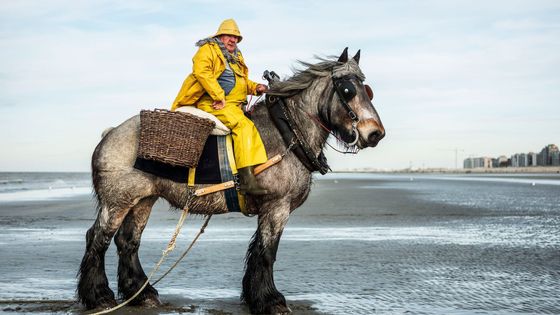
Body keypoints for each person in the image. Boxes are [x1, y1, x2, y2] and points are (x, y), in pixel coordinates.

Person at [171, 19, 269, 195]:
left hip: (233, 104)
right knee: (244, 126)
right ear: (220, 36)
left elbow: (241, 82)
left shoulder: (236, 56)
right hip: (212, 102)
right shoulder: (207, 49)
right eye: (229, 36)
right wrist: (218, 96)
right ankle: (246, 181)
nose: (233, 40)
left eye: (236, 37)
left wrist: (255, 88)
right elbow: (202, 73)